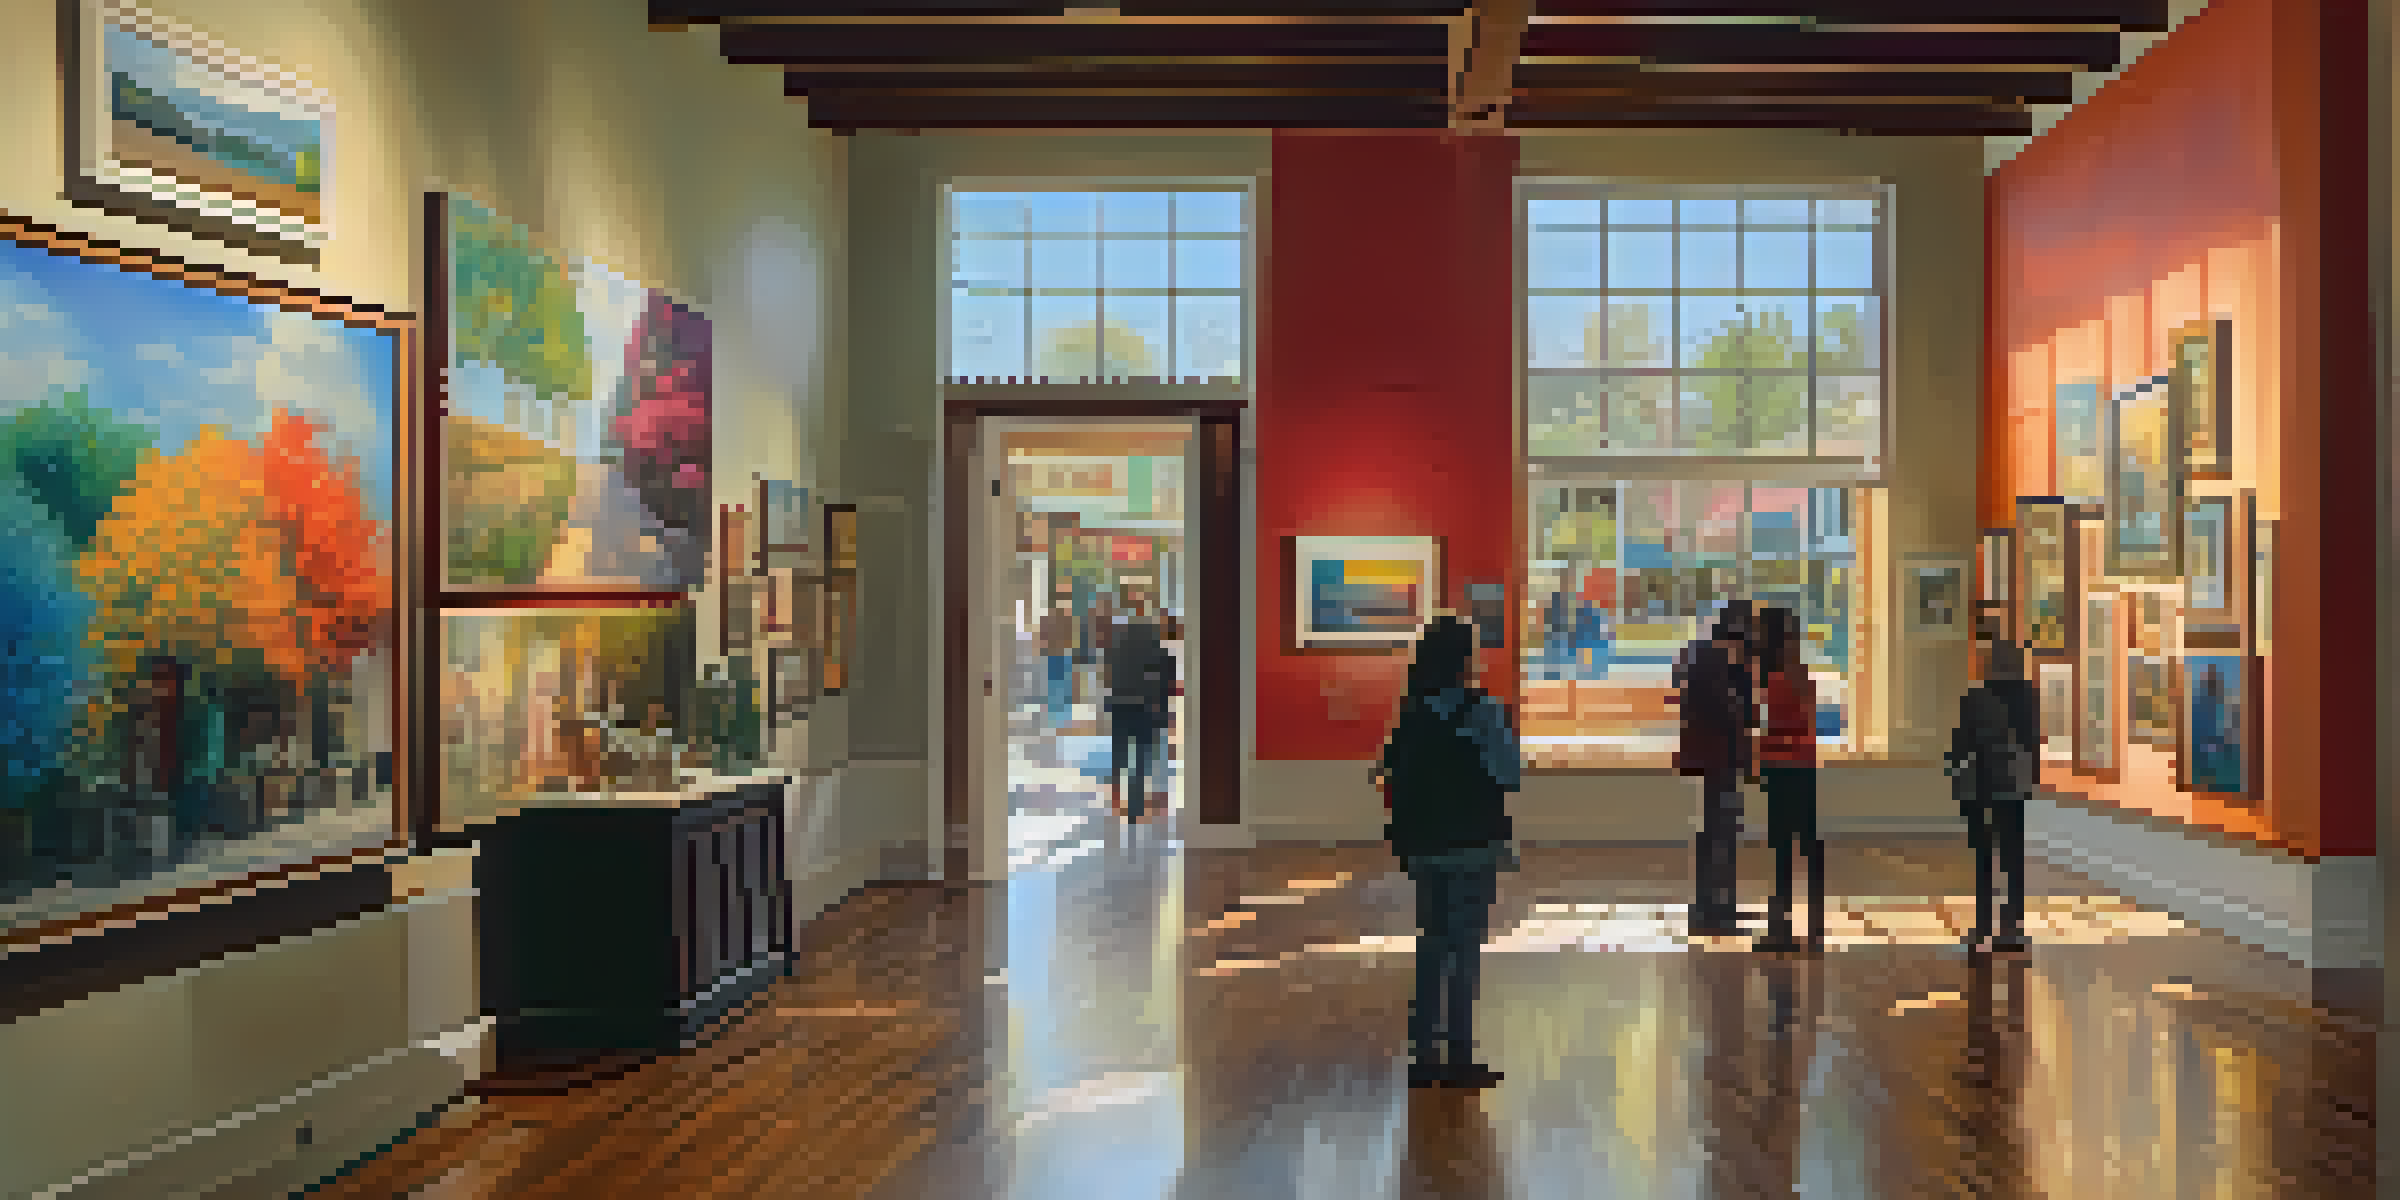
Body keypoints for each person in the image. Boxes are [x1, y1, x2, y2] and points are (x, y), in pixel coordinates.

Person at [1373, 615, 1521, 1090]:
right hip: (1474, 844)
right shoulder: (1484, 711)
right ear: (1465, 660)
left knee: (1432, 943)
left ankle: (1422, 1057)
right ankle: (1459, 1055)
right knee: (1465, 949)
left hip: (1425, 846)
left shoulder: (1412, 712)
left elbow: (1388, 773)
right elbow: (1510, 776)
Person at [1947, 634, 2039, 953]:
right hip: (2013, 787)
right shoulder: (2029, 697)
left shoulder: (1975, 697)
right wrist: (2030, 782)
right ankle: (2012, 926)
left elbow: (1961, 746)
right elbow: (2032, 744)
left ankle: (1983, 925)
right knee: (2013, 858)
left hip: (1980, 787)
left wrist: (1956, 777)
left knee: (1984, 859)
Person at [1673, 599, 1757, 937]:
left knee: (1718, 830)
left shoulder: (1703, 656)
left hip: (1713, 758)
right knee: (1722, 832)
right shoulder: (1718, 662)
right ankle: (1716, 910)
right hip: (1721, 757)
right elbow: (1736, 712)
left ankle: (1715, 905)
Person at [1752, 607, 1824, 953]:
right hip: (1804, 768)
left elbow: (1769, 728)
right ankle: (1815, 922)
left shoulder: (1774, 681)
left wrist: (1757, 751)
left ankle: (1780, 925)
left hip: (1780, 769)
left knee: (1782, 848)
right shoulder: (1802, 676)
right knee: (1807, 844)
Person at [1104, 612, 1177, 822]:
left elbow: (1110, 679)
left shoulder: (1117, 651)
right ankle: (1134, 808)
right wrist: (1164, 716)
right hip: (1145, 711)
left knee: (1119, 755)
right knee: (1141, 761)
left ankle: (1116, 799)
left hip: (1120, 708)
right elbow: (1164, 686)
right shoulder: (1160, 652)